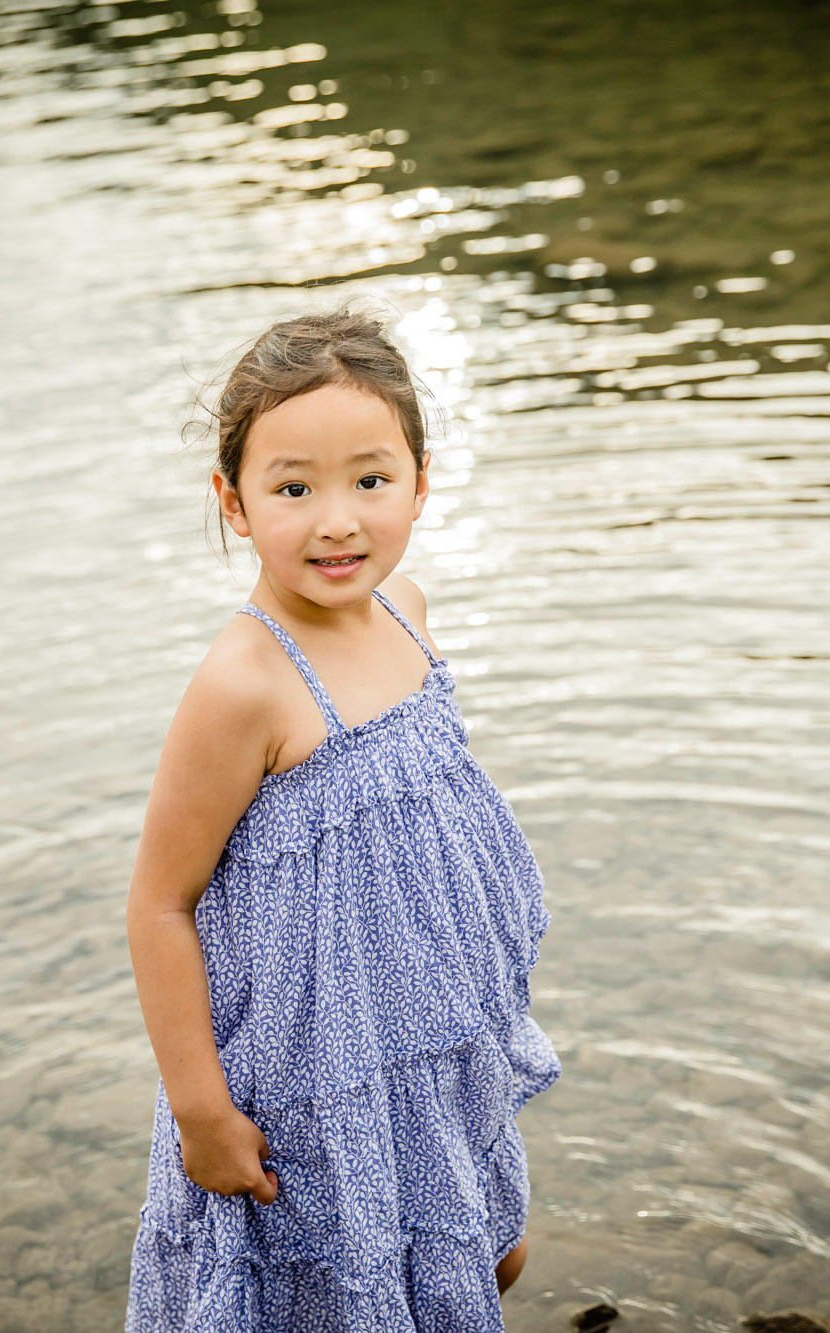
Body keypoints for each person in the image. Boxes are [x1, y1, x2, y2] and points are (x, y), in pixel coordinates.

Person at [123, 301, 561, 1331]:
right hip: (303, 1079)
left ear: (419, 482)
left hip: (432, 1041)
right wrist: (201, 1111)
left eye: (370, 479)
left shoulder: (408, 610)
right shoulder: (246, 685)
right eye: (292, 487)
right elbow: (158, 904)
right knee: (329, 1293)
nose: (336, 520)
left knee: (487, 1256)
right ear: (232, 502)